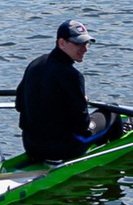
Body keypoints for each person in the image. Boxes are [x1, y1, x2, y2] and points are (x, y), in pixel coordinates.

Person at [16, 19, 124, 163]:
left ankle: (101, 144)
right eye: (78, 43)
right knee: (113, 110)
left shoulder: (34, 64)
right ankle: (117, 153)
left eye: (86, 43)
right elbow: (82, 126)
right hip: (64, 150)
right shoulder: (72, 76)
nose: (85, 48)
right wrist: (80, 103)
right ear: (61, 43)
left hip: (31, 146)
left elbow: (19, 105)